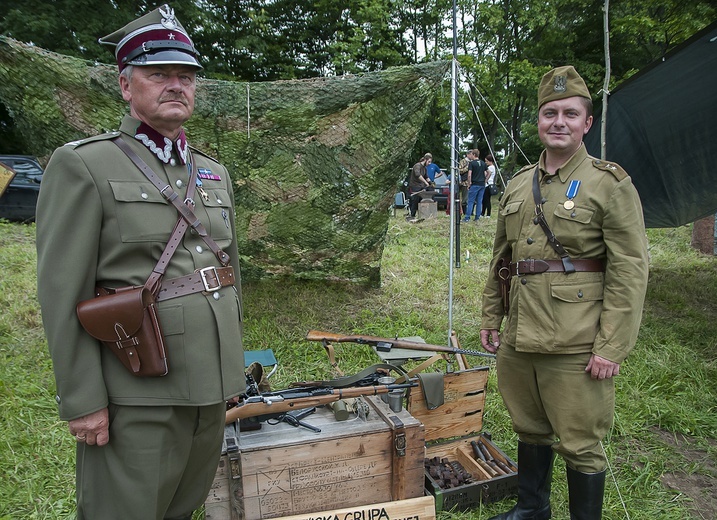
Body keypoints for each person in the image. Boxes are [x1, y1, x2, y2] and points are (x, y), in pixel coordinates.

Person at [35, 5, 245, 519]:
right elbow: (62, 290)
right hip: (138, 390)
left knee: (180, 509)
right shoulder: (85, 164)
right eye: (160, 74)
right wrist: (84, 400)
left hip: (210, 386)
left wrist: (230, 374)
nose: (177, 85)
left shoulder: (212, 173)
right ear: (126, 86)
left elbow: (228, 273)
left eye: (187, 76)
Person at [479, 66, 649, 519]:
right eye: (549, 112)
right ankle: (532, 510)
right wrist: (489, 318)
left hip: (576, 338)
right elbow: (502, 261)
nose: (558, 121)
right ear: (538, 120)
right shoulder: (517, 183)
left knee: (580, 440)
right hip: (520, 334)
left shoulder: (608, 183)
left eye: (570, 113)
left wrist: (611, 345)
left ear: (586, 123)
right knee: (529, 425)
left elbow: (630, 270)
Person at [463, 148, 486, 222]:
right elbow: (488, 172)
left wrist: (469, 183)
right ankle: (477, 217)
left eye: (472, 154)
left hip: (475, 184)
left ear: (474, 155)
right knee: (479, 201)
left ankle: (467, 217)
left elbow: (469, 175)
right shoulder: (483, 163)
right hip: (482, 184)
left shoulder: (472, 163)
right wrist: (485, 180)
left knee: (470, 201)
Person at [408, 153, 432, 218]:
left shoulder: (425, 168)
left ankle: (423, 214)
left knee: (422, 200)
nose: (429, 163)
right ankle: (412, 215)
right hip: (414, 186)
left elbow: (426, 176)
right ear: (425, 160)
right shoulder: (417, 166)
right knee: (414, 201)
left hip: (421, 186)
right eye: (429, 161)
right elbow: (418, 175)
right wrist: (425, 182)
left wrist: (430, 183)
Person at [481, 154, 496, 218]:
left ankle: (488, 214)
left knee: (487, 200)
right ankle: (483, 213)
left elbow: (485, 174)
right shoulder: (491, 167)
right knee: (484, 200)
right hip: (486, 185)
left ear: (490, 161)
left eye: (487, 161)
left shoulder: (491, 167)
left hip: (488, 185)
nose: (486, 162)